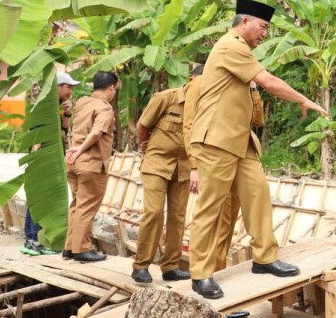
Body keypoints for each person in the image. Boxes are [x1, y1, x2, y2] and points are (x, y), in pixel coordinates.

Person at [188, 0, 327, 300]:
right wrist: (303, 99)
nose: (265, 34)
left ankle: (264, 258)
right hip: (216, 141)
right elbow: (268, 81)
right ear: (245, 22)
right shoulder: (231, 45)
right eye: (263, 27)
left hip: (240, 142)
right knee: (210, 209)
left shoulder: (240, 51)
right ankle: (200, 273)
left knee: (257, 194)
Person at [183, 65, 251, 318]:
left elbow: (255, 121)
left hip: (234, 162)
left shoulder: (234, 87)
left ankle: (218, 292)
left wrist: (253, 91)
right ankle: (206, 290)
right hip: (211, 162)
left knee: (225, 231)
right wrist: (194, 165)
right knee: (211, 226)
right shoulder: (199, 84)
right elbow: (189, 125)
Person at [130, 74, 194, 284]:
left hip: (183, 168)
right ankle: (141, 266)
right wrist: (145, 148)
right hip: (157, 164)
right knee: (154, 212)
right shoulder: (166, 98)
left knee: (178, 217)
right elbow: (142, 125)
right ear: (192, 81)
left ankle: (171, 266)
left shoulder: (204, 106)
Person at [22, 71, 80, 256]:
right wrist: (36, 160)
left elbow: (63, 130)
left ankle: (35, 240)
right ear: (58, 86)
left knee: (43, 199)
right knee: (39, 200)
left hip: (51, 157)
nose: (70, 91)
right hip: (41, 159)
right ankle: (32, 240)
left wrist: (68, 113)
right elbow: (38, 134)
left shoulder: (57, 107)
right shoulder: (44, 106)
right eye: (68, 87)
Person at [63, 71, 118, 262]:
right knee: (86, 207)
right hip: (91, 163)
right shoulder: (105, 109)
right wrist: (81, 150)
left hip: (72, 163)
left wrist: (75, 151)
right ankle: (82, 248)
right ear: (111, 88)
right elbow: (96, 133)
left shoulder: (82, 102)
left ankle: (70, 247)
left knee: (77, 205)